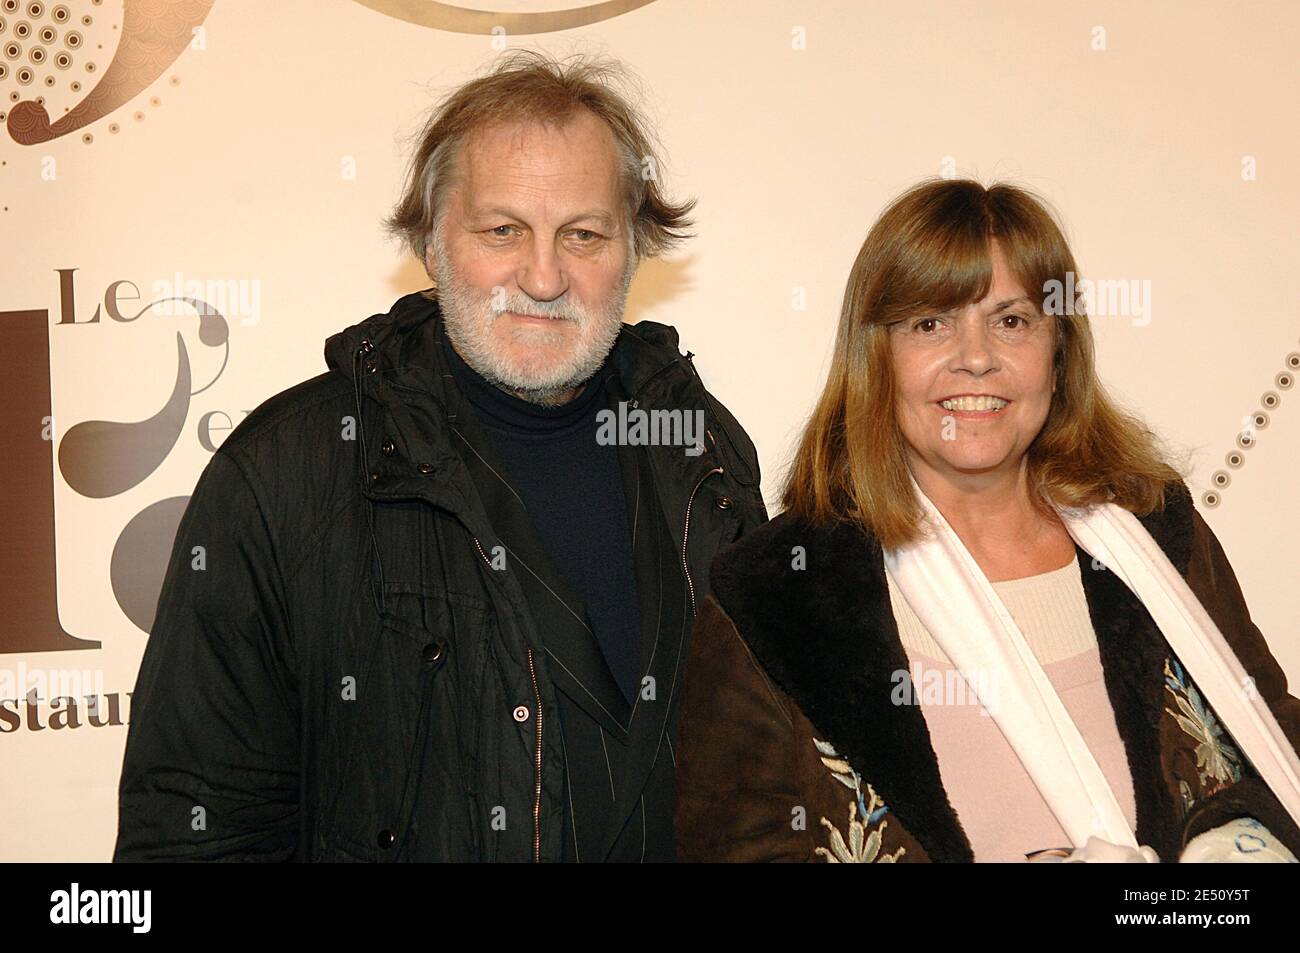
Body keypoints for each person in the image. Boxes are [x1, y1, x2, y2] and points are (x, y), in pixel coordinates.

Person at [113, 50, 766, 862]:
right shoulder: (286, 472)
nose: (542, 275)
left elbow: (760, 792)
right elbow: (194, 833)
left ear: (632, 249)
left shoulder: (699, 451)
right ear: (431, 242)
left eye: (584, 234)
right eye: (502, 230)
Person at [674, 178, 1300, 863]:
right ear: (876, 358)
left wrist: (1236, 851)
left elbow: (1273, 745)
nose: (976, 357)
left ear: (1059, 354)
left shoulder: (1158, 532)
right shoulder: (772, 596)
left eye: (1012, 320)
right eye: (931, 322)